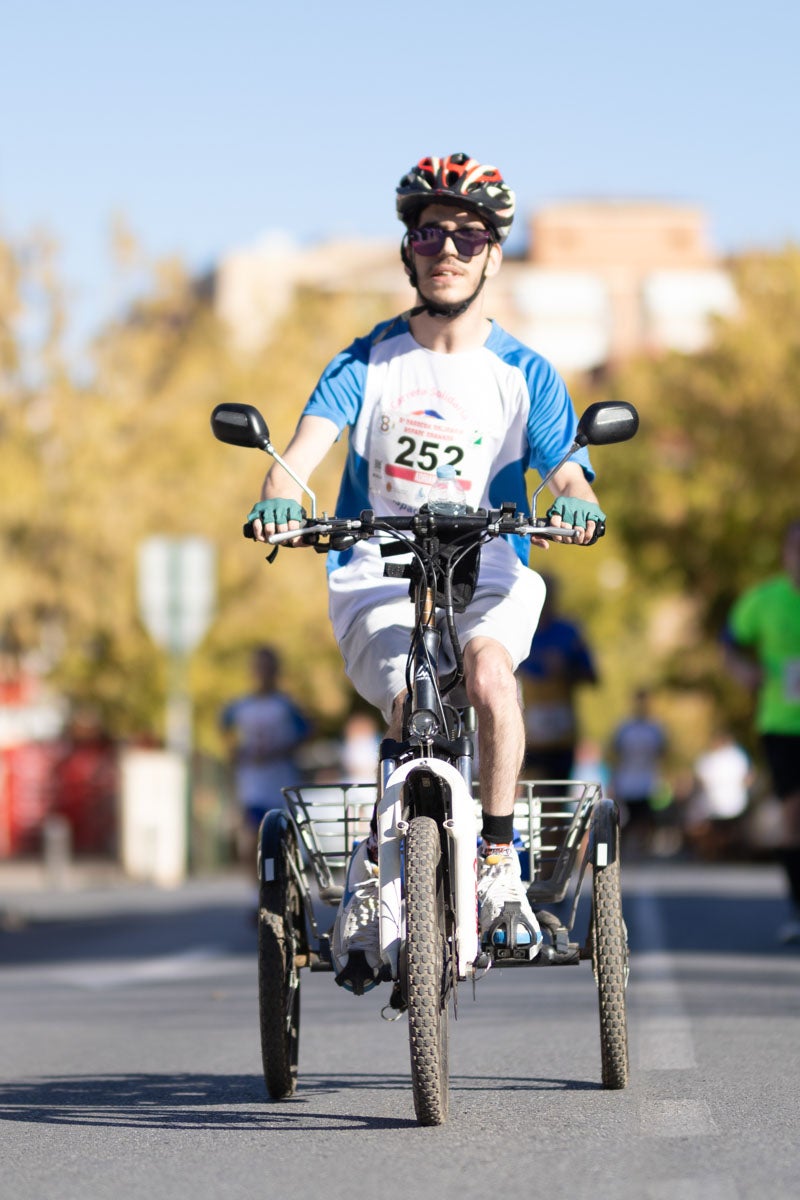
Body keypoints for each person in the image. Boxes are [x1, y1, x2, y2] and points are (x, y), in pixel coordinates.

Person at [247, 153, 607, 992]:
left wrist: (580, 505)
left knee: (488, 679)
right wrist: (277, 499)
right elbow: (295, 462)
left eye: (468, 234)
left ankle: (495, 859)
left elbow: (567, 475)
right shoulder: (365, 362)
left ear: (494, 254)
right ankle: (380, 871)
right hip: (380, 569)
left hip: (488, 569)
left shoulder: (525, 373)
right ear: (407, 250)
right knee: (412, 697)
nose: (448, 247)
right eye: (430, 232)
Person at [724, 519, 800, 943]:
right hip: (783, 723)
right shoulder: (765, 600)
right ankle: (797, 906)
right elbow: (729, 641)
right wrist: (743, 670)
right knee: (793, 815)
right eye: (796, 551)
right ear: (786, 555)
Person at [219, 645, 311, 864]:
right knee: (251, 834)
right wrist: (235, 753)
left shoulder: (285, 705)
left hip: (281, 781)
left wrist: (281, 751)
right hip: (253, 783)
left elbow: (307, 732)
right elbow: (224, 728)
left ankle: (282, 885)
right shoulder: (241, 706)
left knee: (282, 836)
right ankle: (255, 890)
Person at [517, 573, 598, 780]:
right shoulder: (521, 629)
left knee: (556, 796)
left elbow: (593, 677)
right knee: (533, 793)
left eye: (550, 595)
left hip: (562, 736)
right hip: (528, 734)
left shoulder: (569, 632)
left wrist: (565, 671)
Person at [608, 688, 668, 858]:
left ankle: (644, 849)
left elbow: (663, 753)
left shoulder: (655, 729)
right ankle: (623, 849)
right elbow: (615, 754)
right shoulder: (624, 728)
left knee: (645, 818)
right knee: (627, 819)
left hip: (647, 782)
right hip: (627, 781)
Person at [684, 728, 751, 861]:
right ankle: (729, 854)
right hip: (736, 803)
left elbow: (699, 781)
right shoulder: (738, 757)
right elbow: (748, 778)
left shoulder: (710, 759)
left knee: (714, 829)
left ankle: (714, 853)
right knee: (731, 831)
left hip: (714, 803)